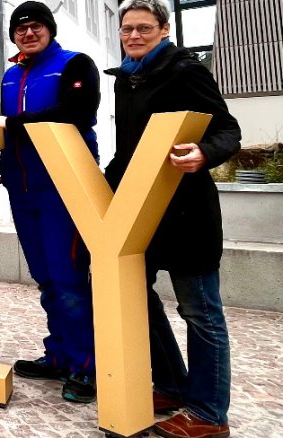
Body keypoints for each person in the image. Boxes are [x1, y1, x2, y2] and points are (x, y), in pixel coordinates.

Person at [105, 1, 240, 437]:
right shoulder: (126, 78)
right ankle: (170, 384)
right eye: (127, 29)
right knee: (134, 296)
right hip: (141, 212)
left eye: (144, 28)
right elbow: (129, 152)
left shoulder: (186, 70)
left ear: (163, 29)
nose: (134, 35)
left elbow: (227, 130)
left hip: (187, 213)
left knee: (199, 311)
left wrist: (205, 153)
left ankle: (207, 413)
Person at [0, 1, 100, 403]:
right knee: (44, 277)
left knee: (68, 278)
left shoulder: (75, 63)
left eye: (36, 26)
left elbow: (76, 112)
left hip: (63, 188)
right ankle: (58, 355)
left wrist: (15, 124)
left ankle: (85, 366)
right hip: (23, 189)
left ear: (50, 29)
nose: (28, 33)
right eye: (20, 29)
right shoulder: (11, 74)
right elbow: (4, 130)